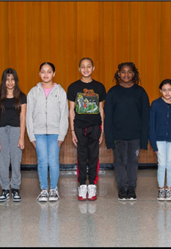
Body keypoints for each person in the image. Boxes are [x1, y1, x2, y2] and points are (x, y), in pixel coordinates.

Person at [104, 62, 150, 201]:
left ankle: (131, 188)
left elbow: (145, 117)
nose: (126, 74)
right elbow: (108, 117)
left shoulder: (140, 92)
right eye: (123, 71)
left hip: (135, 136)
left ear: (134, 74)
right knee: (119, 162)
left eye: (129, 72)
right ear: (118, 74)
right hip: (118, 136)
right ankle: (122, 188)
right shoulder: (112, 92)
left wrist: (143, 138)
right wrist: (109, 138)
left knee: (132, 162)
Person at [26, 62, 68, 202]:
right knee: (42, 161)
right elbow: (28, 115)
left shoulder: (60, 92)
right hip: (38, 133)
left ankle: (54, 189)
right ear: (39, 74)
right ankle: (44, 189)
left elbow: (64, 114)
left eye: (49, 71)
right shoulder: (33, 92)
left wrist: (61, 134)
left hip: (55, 133)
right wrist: (31, 135)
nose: (46, 74)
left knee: (53, 162)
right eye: (43, 71)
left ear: (54, 74)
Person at [67, 57, 106, 201]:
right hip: (79, 127)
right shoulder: (73, 87)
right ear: (79, 69)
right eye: (83, 66)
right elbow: (71, 110)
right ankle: (82, 184)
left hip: (95, 126)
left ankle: (93, 185)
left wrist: (102, 130)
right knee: (82, 156)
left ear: (93, 68)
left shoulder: (100, 87)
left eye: (88, 66)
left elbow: (101, 109)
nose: (86, 69)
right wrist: (72, 131)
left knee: (94, 156)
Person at [0, 68, 26, 202]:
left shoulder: (22, 97)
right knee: (3, 161)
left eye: (12, 79)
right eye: (7, 79)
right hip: (1, 131)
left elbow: (23, 117)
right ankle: (5, 189)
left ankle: (16, 188)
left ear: (15, 81)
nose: (10, 82)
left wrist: (22, 137)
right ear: (4, 81)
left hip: (16, 130)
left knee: (16, 160)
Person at [149, 79, 171, 201]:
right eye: (164, 90)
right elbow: (151, 125)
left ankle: (169, 189)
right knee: (162, 164)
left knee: (170, 164)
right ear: (160, 91)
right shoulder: (156, 104)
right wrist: (154, 144)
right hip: (159, 139)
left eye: (169, 90)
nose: (167, 92)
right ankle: (161, 189)